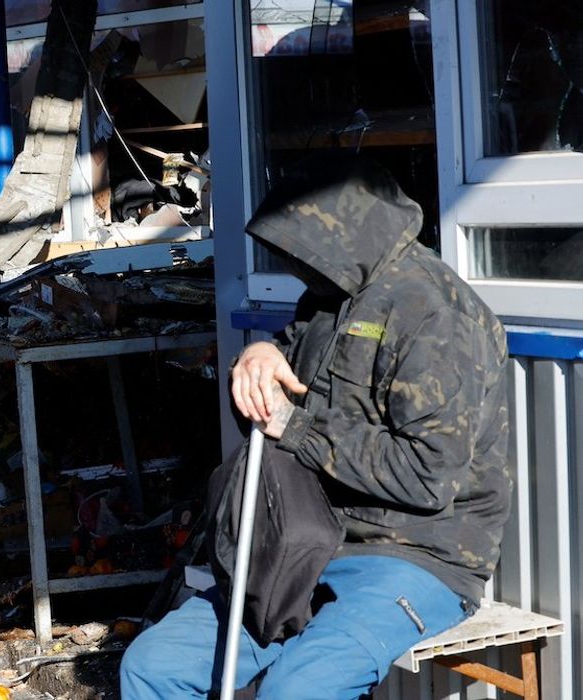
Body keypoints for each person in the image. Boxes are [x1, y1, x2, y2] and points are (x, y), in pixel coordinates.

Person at [120, 156, 511, 699]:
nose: (292, 267)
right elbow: (275, 399)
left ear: (342, 236)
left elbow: (427, 477)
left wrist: (297, 427)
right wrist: (257, 359)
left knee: (295, 690)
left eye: (298, 251)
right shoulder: (330, 297)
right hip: (306, 542)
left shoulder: (436, 316)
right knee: (152, 667)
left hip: (417, 555)